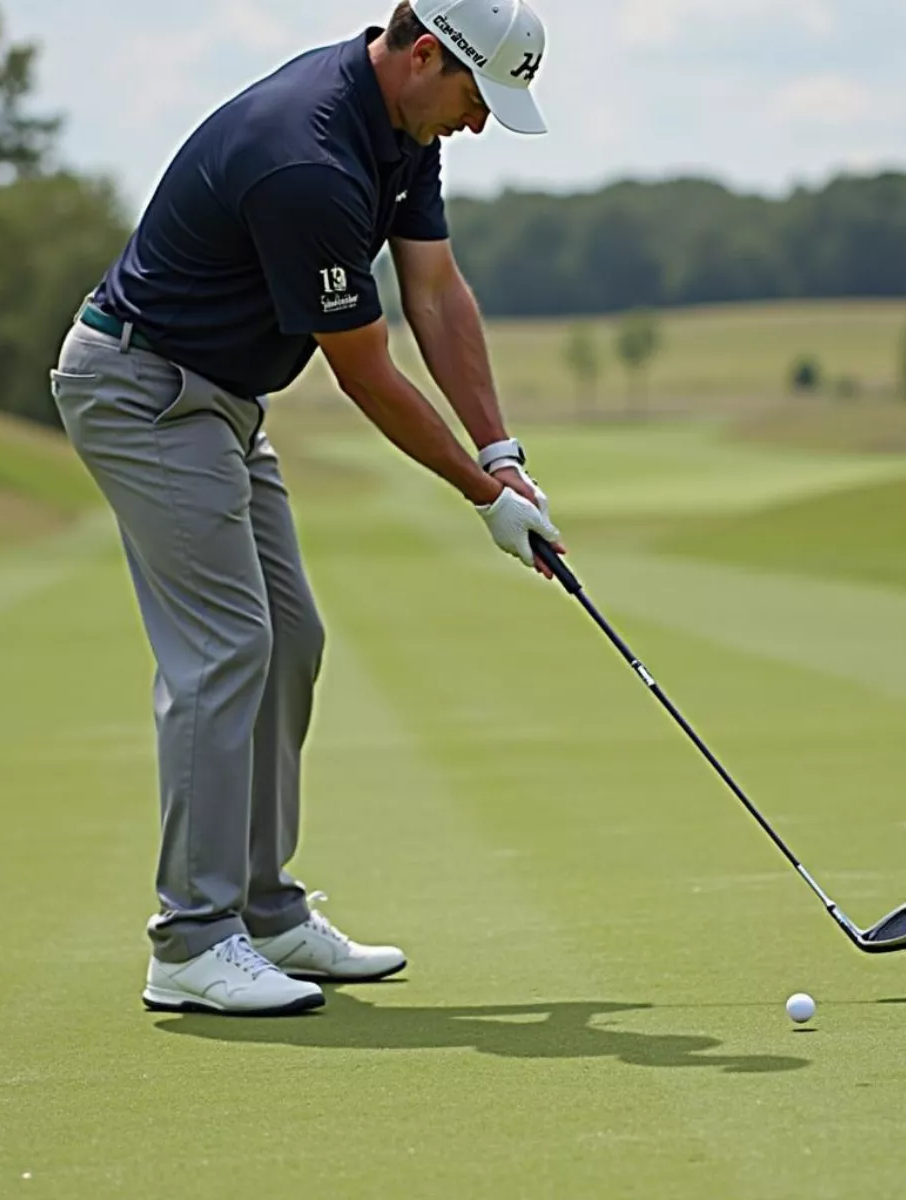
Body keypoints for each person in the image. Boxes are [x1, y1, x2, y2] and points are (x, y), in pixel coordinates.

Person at [48, 0, 560, 1017]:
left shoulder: (400, 129)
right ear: (424, 56)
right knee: (227, 643)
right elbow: (365, 373)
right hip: (142, 389)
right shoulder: (310, 162)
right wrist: (477, 496)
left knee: (291, 639)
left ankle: (266, 913)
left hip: (224, 399)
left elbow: (437, 291)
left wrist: (502, 453)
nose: (479, 123)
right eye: (475, 98)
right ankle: (191, 940)